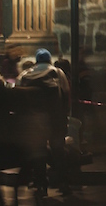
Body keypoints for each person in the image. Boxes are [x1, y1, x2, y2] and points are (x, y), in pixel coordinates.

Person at [17, 48, 71, 197]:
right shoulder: (58, 73)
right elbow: (66, 94)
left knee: (39, 152)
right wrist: (65, 115)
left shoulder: (25, 74)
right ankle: (63, 183)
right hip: (55, 119)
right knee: (58, 151)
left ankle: (41, 185)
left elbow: (18, 98)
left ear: (36, 61)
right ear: (49, 60)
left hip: (34, 121)